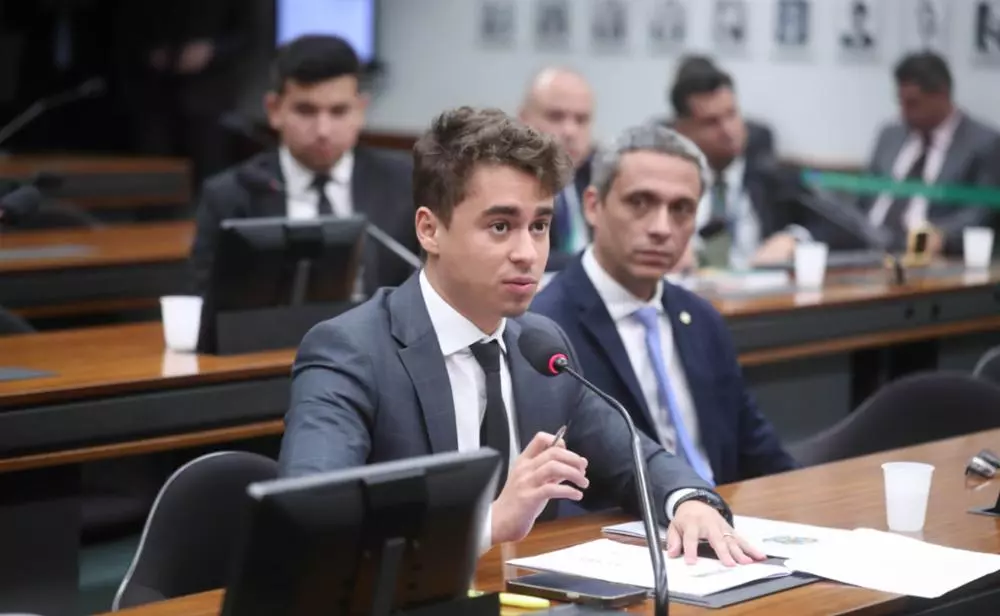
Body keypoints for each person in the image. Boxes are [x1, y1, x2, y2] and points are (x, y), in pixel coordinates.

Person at [278, 106, 765, 564]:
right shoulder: (350, 351)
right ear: (430, 230)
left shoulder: (539, 345)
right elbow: (312, 524)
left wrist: (688, 501)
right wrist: (487, 523)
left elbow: (636, 457)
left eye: (539, 226)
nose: (528, 253)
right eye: (500, 226)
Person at [532, 124, 797, 486]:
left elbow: (759, 452)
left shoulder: (702, 319)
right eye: (640, 203)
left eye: (681, 209)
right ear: (593, 206)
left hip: (721, 522)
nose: (661, 228)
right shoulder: (545, 330)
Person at [189, 35, 417, 297]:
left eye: (339, 111)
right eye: (306, 111)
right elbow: (205, 302)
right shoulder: (230, 195)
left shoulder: (403, 183)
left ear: (360, 110)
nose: (323, 130)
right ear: (274, 110)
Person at [850, 52, 1000, 255]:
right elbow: (862, 200)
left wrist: (940, 236)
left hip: (924, 255)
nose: (903, 113)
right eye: (900, 102)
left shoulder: (983, 143)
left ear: (941, 95)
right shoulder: (890, 135)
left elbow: (979, 213)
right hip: (864, 247)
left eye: (913, 104)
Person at [670, 63, 815, 271]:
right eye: (711, 122)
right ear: (683, 130)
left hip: (762, 297)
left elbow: (839, 229)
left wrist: (793, 239)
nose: (728, 130)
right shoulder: (668, 182)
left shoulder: (771, 177)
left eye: (731, 114)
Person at [518, 67, 596, 271]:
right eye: (555, 117)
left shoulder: (597, 178)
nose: (570, 131)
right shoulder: (505, 184)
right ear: (523, 120)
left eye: (581, 120)